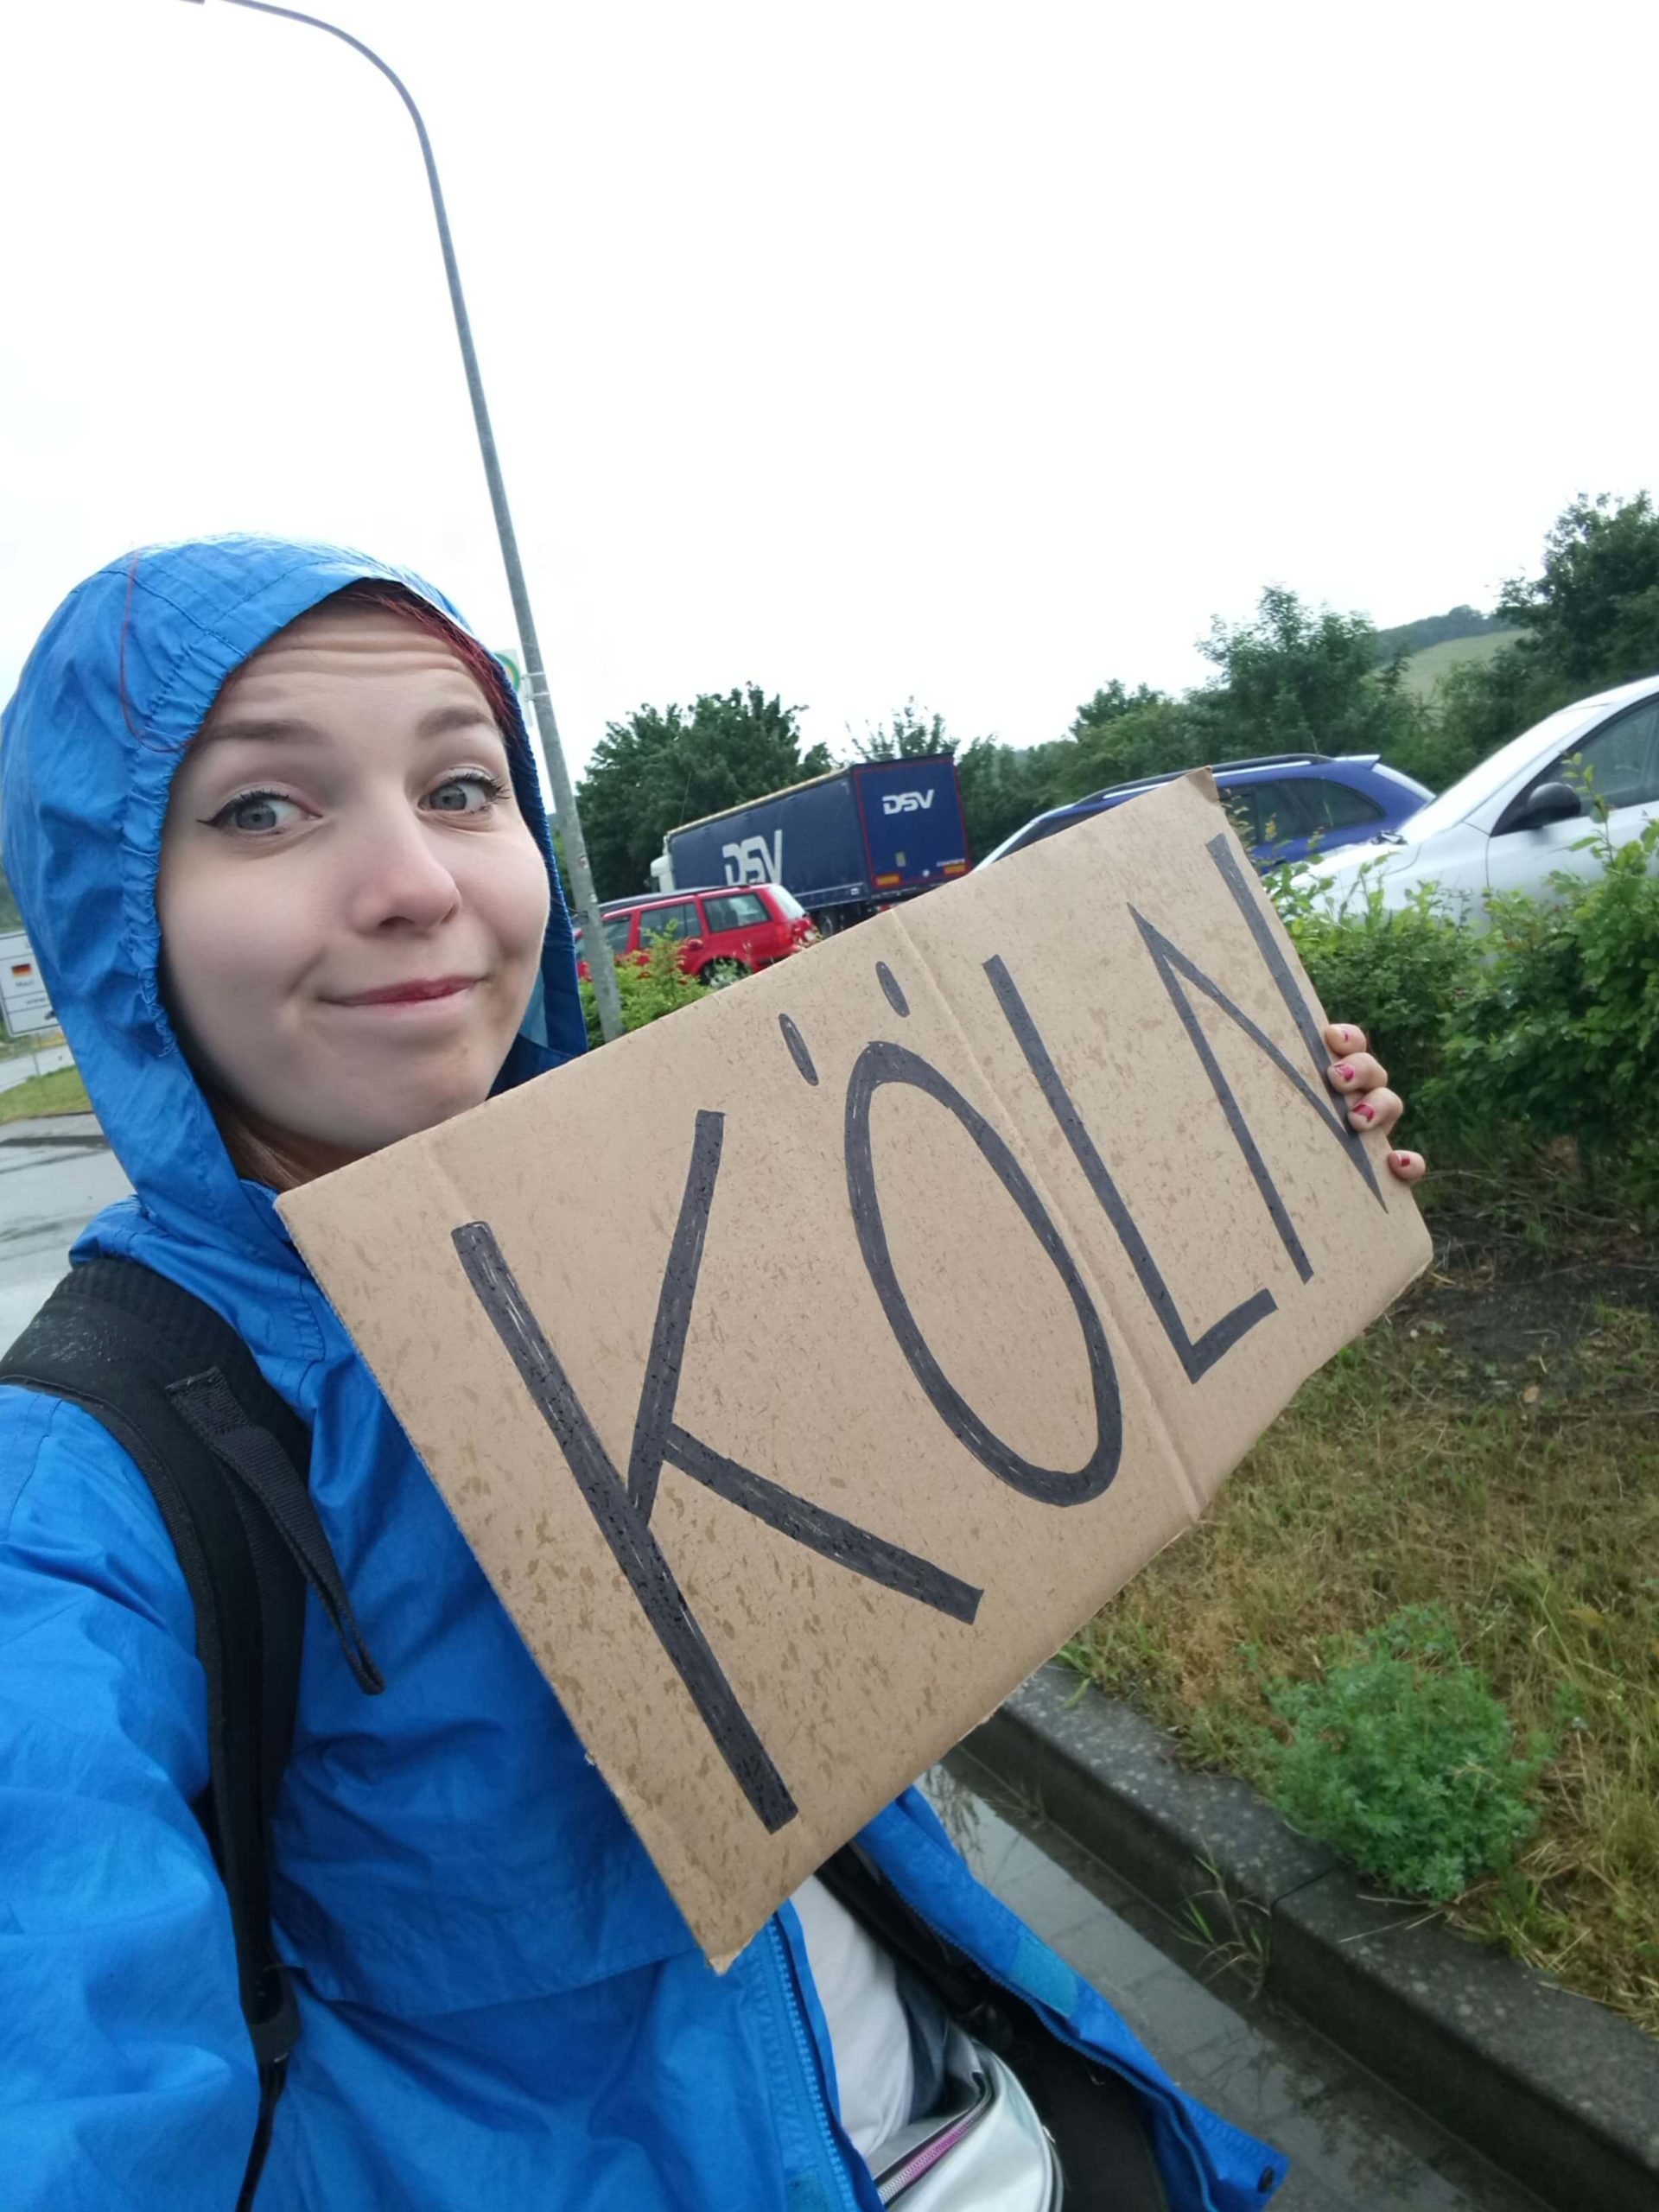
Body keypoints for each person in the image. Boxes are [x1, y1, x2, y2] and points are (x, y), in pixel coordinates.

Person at [0, 535, 1423, 2212]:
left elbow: (991, 1426)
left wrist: (1236, 1133)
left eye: (464, 788)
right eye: (263, 808)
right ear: (109, 911)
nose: (417, 882)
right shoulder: (84, 1483)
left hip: (1005, 2118)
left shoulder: (671, 1211)